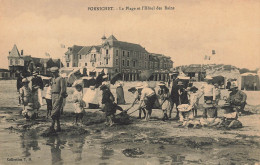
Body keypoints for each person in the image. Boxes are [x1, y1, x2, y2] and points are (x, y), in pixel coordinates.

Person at [49, 67, 67, 133]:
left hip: (58, 95)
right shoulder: (53, 79)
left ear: (57, 72)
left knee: (54, 111)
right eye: (52, 73)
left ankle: (52, 125)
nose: (53, 74)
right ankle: (58, 126)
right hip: (53, 95)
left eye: (54, 73)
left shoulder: (61, 79)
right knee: (56, 111)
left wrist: (60, 97)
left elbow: (63, 89)